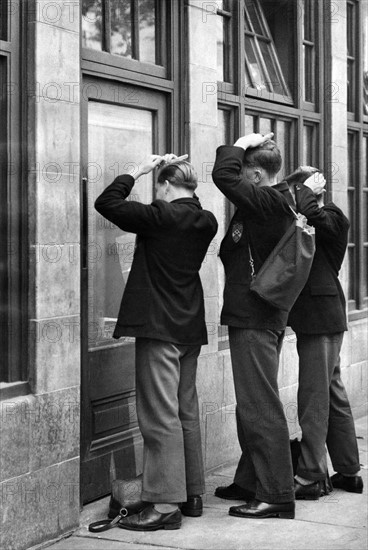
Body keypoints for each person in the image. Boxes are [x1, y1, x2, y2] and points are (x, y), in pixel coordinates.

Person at [95, 154, 218, 531]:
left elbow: (107, 203)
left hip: (159, 328)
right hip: (188, 327)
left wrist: (137, 170)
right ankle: (191, 493)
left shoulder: (161, 215)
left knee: (159, 415)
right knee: (185, 411)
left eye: (158, 186)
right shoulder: (206, 220)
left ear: (164, 185)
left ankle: (165, 505)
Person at [212, 133, 296, 519]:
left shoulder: (270, 201)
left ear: (257, 176)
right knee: (252, 405)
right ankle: (250, 480)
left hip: (256, 317)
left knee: (260, 405)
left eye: (246, 172)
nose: (240, 181)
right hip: (255, 315)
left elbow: (223, 177)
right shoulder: (266, 203)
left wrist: (241, 141)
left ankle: (277, 493)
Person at [282, 166, 364, 499]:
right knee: (332, 394)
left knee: (314, 398)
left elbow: (313, 213)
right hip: (321, 317)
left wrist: (304, 189)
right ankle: (348, 471)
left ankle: (311, 474)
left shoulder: (332, 216)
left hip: (322, 318)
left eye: (295, 192)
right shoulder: (314, 214)